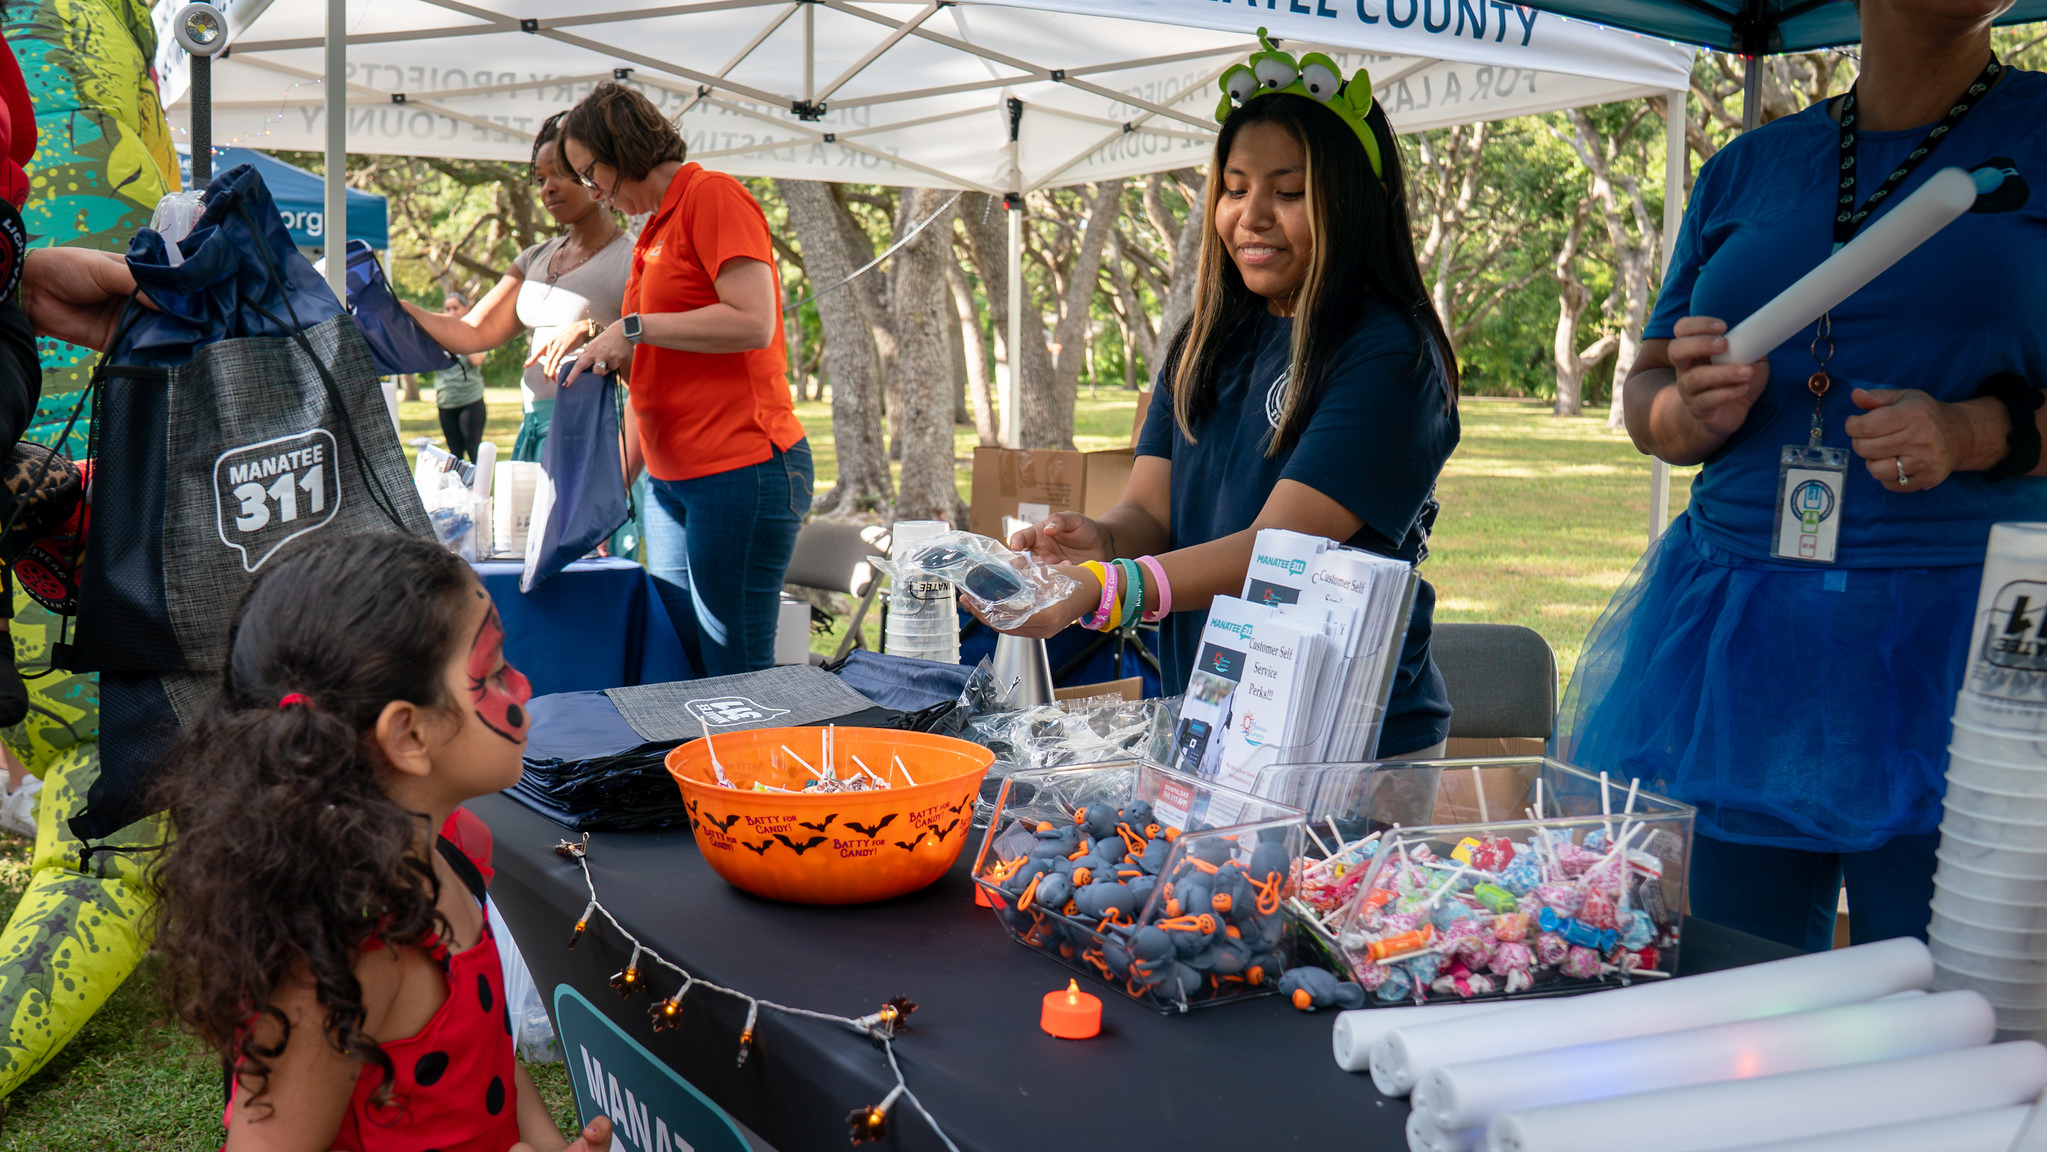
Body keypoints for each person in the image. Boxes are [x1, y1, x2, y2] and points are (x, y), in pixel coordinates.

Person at [1557, 0, 2047, 952]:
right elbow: (1649, 394)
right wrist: (1683, 410)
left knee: (1945, 1006)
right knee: (1732, 988)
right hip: (1735, 639)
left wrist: (1975, 430)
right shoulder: (1748, 165)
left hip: (1969, 642)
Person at [982, 62, 1459, 759]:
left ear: (1356, 202)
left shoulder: (1390, 355)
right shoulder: (1205, 339)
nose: (1251, 215)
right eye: (1234, 189)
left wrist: (1107, 589)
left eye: (1289, 192)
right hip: (1205, 714)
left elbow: (1279, 556)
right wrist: (1099, 541)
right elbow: (1151, 513)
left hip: (1348, 741)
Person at [148, 532, 613, 1152]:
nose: (523, 687)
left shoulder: (452, 852)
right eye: (495, 672)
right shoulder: (348, 957)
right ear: (409, 735)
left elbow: (489, 1059)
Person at [560, 82, 813, 677]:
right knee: (680, 660)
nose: (592, 191)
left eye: (590, 172)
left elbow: (752, 321)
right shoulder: (651, 231)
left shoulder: (712, 197)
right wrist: (607, 496)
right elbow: (651, 376)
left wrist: (635, 327)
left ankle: (754, 771)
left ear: (620, 148)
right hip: (671, 483)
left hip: (740, 470)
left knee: (734, 668)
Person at [404, 112, 632, 463]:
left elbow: (653, 355)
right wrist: (398, 307)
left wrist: (594, 331)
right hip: (536, 429)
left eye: (560, 173)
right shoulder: (534, 258)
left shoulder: (632, 257)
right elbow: (471, 331)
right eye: (540, 178)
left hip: (600, 435)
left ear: (594, 174)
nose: (547, 188)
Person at [432, 291, 490, 462]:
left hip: (470, 399)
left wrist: (460, 334)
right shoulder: (438, 335)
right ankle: (459, 488)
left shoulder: (475, 332)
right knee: (454, 453)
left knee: (473, 449)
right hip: (446, 400)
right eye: (447, 308)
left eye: (455, 308)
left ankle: (478, 488)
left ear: (466, 309)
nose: (451, 312)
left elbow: (477, 360)